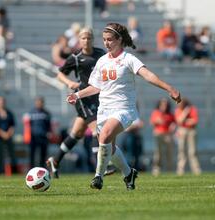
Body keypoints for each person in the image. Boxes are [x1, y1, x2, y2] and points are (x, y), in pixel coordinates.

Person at [67, 22, 181, 190]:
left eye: (110, 40)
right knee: (110, 148)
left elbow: (148, 75)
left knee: (104, 135)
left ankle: (98, 176)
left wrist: (169, 88)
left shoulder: (128, 59)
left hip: (124, 109)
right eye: (104, 40)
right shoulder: (102, 61)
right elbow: (96, 87)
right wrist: (77, 95)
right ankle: (129, 174)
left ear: (119, 40)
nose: (106, 43)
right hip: (104, 109)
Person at [46, 27, 106, 178]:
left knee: (77, 132)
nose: (86, 41)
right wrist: (69, 83)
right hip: (82, 97)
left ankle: (55, 160)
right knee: (96, 130)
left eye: (89, 38)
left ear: (93, 39)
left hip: (97, 96)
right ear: (79, 40)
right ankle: (101, 166)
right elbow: (60, 74)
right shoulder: (76, 57)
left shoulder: (101, 54)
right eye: (83, 38)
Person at [174, 98, 201, 176]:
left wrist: (185, 121)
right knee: (181, 151)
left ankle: (196, 169)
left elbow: (195, 121)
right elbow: (179, 121)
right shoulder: (178, 110)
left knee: (192, 151)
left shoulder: (192, 109)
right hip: (182, 131)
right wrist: (186, 113)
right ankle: (180, 170)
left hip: (191, 131)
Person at [0, 96, 17, 175]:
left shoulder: (9, 113)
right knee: (0, 156)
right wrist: (3, 134)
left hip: (9, 137)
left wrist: (8, 134)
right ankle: (0, 172)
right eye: (0, 102)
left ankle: (14, 172)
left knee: (11, 155)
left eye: (2, 102)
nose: (1, 104)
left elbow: (12, 125)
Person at [150, 98, 175, 176]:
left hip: (168, 135)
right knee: (158, 153)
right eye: (163, 104)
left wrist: (173, 126)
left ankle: (170, 170)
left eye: (166, 105)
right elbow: (153, 122)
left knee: (169, 153)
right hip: (158, 134)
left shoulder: (170, 114)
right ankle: (156, 169)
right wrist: (159, 120)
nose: (164, 106)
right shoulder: (156, 112)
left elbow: (174, 123)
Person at [27, 96, 52, 168]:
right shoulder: (31, 112)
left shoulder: (46, 113)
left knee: (43, 155)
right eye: (37, 102)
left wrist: (49, 133)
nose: (39, 104)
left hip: (43, 137)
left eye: (40, 102)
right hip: (33, 137)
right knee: (32, 155)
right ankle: (31, 170)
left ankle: (42, 170)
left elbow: (49, 125)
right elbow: (28, 125)